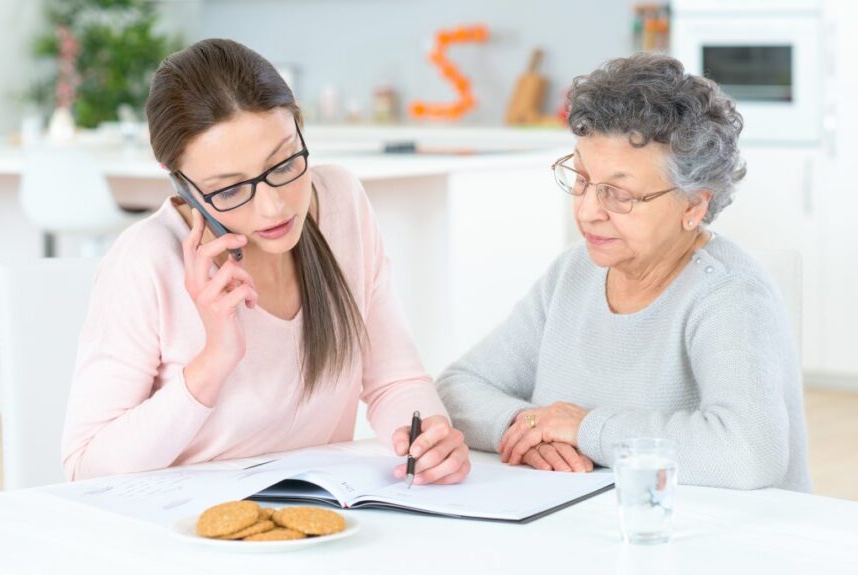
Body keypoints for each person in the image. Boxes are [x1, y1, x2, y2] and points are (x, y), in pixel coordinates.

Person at [61, 39, 470, 486]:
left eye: (284, 163)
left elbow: (395, 381)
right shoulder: (145, 261)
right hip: (186, 534)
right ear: (178, 180)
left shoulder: (341, 204)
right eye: (230, 189)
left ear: (298, 121)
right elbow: (87, 467)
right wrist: (213, 361)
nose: (274, 207)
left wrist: (428, 436)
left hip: (318, 527)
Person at [436, 53, 810, 492]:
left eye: (619, 194)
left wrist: (585, 429)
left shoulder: (730, 294)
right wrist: (526, 426)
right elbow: (457, 387)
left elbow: (749, 453)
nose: (588, 210)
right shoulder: (573, 273)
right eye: (581, 179)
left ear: (694, 205)